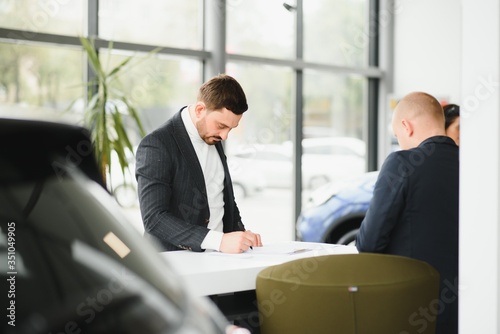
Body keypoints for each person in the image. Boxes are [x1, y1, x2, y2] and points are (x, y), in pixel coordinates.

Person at [356, 92, 459, 334]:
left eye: (397, 135)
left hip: (412, 305)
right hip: (468, 308)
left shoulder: (401, 163)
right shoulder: (472, 164)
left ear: (406, 126)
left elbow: (369, 243)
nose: (400, 142)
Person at [135, 74, 262, 254]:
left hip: (220, 260)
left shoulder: (212, 135)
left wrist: (241, 235)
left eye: (230, 129)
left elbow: (222, 198)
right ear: (200, 110)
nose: (225, 136)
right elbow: (154, 219)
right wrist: (218, 241)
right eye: (221, 126)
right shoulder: (157, 145)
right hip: (174, 264)